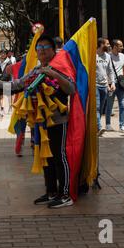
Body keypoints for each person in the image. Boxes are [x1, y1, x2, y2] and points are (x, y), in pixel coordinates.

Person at [10, 35, 76, 208]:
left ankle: (65, 194)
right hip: (39, 121)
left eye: (46, 47)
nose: (41, 51)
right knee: (46, 156)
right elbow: (18, 84)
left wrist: (52, 73)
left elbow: (70, 89)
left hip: (58, 120)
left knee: (59, 155)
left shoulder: (60, 67)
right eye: (38, 48)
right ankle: (51, 191)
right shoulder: (36, 71)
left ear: (54, 51)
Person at [106, 39, 124, 133]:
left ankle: (122, 126)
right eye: (120, 46)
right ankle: (108, 124)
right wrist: (108, 83)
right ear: (115, 46)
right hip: (111, 84)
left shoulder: (122, 56)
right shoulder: (108, 56)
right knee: (109, 105)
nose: (122, 48)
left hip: (121, 84)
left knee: (123, 105)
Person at [96, 38, 115, 135]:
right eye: (107, 44)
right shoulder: (93, 55)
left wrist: (112, 83)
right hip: (95, 85)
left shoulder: (107, 56)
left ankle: (96, 127)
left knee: (101, 108)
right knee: (97, 107)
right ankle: (99, 127)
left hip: (104, 86)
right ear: (101, 44)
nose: (109, 46)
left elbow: (110, 70)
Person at [0, 50, 12, 116]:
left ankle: (10, 107)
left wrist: (2, 79)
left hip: (7, 81)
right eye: (1, 53)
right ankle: (2, 109)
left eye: (4, 53)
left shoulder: (9, 62)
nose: (2, 54)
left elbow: (9, 73)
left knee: (9, 95)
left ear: (6, 54)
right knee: (1, 96)